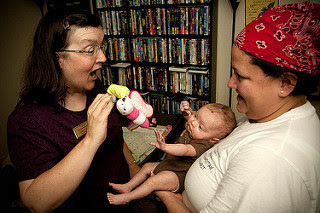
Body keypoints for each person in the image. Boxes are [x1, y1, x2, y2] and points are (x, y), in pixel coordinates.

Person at [156, 2, 320, 213]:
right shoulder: (266, 115)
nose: (230, 84)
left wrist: (170, 199)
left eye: (241, 76)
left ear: (285, 84)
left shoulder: (271, 161)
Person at [7, 10, 140, 212]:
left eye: (101, 46)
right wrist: (91, 139)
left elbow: (114, 133)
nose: (102, 57)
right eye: (90, 49)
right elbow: (36, 203)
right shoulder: (27, 120)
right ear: (57, 57)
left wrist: (131, 166)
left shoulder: (96, 88)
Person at [107, 102, 236, 205]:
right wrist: (187, 113)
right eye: (196, 116)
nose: (192, 122)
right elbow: (190, 120)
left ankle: (128, 197)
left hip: (179, 175)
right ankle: (128, 186)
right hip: (171, 164)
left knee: (153, 182)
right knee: (146, 167)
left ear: (213, 139)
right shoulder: (194, 129)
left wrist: (165, 146)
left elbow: (185, 149)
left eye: (200, 126)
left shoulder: (204, 145)